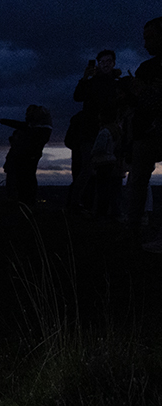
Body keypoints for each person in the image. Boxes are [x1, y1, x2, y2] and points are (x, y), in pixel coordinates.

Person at [67, 50, 123, 211]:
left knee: (110, 170)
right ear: (98, 63)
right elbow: (78, 96)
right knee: (88, 168)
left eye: (109, 61)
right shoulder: (91, 82)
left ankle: (104, 208)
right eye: (102, 61)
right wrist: (85, 78)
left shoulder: (117, 82)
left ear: (113, 63)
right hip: (90, 130)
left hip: (110, 130)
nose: (105, 64)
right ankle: (77, 204)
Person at [125, 17, 162, 251]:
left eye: (150, 37)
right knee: (136, 181)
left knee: (138, 182)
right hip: (145, 135)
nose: (145, 43)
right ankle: (132, 231)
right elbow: (136, 104)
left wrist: (142, 92)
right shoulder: (146, 68)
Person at [0, 106, 52, 208]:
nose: (27, 115)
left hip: (27, 158)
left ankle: (24, 204)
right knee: (22, 181)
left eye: (29, 113)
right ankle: (22, 204)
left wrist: (3, 121)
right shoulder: (33, 128)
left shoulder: (38, 129)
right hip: (21, 158)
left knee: (25, 181)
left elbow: (23, 129)